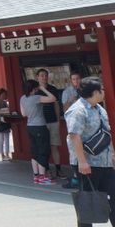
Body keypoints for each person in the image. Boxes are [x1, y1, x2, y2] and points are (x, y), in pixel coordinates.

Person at [66, 76, 115, 227]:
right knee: (87, 202)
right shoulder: (77, 110)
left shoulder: (100, 109)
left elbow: (107, 134)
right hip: (87, 164)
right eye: (102, 89)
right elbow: (74, 136)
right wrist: (82, 161)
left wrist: (112, 154)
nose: (104, 92)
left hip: (105, 162)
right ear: (95, 92)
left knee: (113, 197)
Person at [21, 78, 57, 185]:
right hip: (40, 126)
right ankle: (42, 177)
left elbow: (24, 114)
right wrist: (43, 89)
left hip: (30, 126)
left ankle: (36, 175)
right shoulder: (36, 98)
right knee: (43, 151)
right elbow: (53, 98)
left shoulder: (22, 98)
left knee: (34, 151)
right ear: (34, 88)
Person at [36, 68, 65, 178]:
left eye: (45, 75)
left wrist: (57, 119)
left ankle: (58, 169)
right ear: (37, 77)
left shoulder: (53, 89)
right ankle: (46, 169)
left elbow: (56, 104)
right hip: (41, 122)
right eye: (42, 75)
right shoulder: (35, 90)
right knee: (44, 147)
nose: (44, 77)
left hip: (53, 121)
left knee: (54, 146)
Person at [0, 88, 13, 162]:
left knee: (7, 139)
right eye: (3, 94)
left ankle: (7, 154)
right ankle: (2, 155)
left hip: (6, 122)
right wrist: (4, 110)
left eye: (5, 95)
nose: (4, 96)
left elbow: (8, 110)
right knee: (1, 139)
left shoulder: (5, 102)